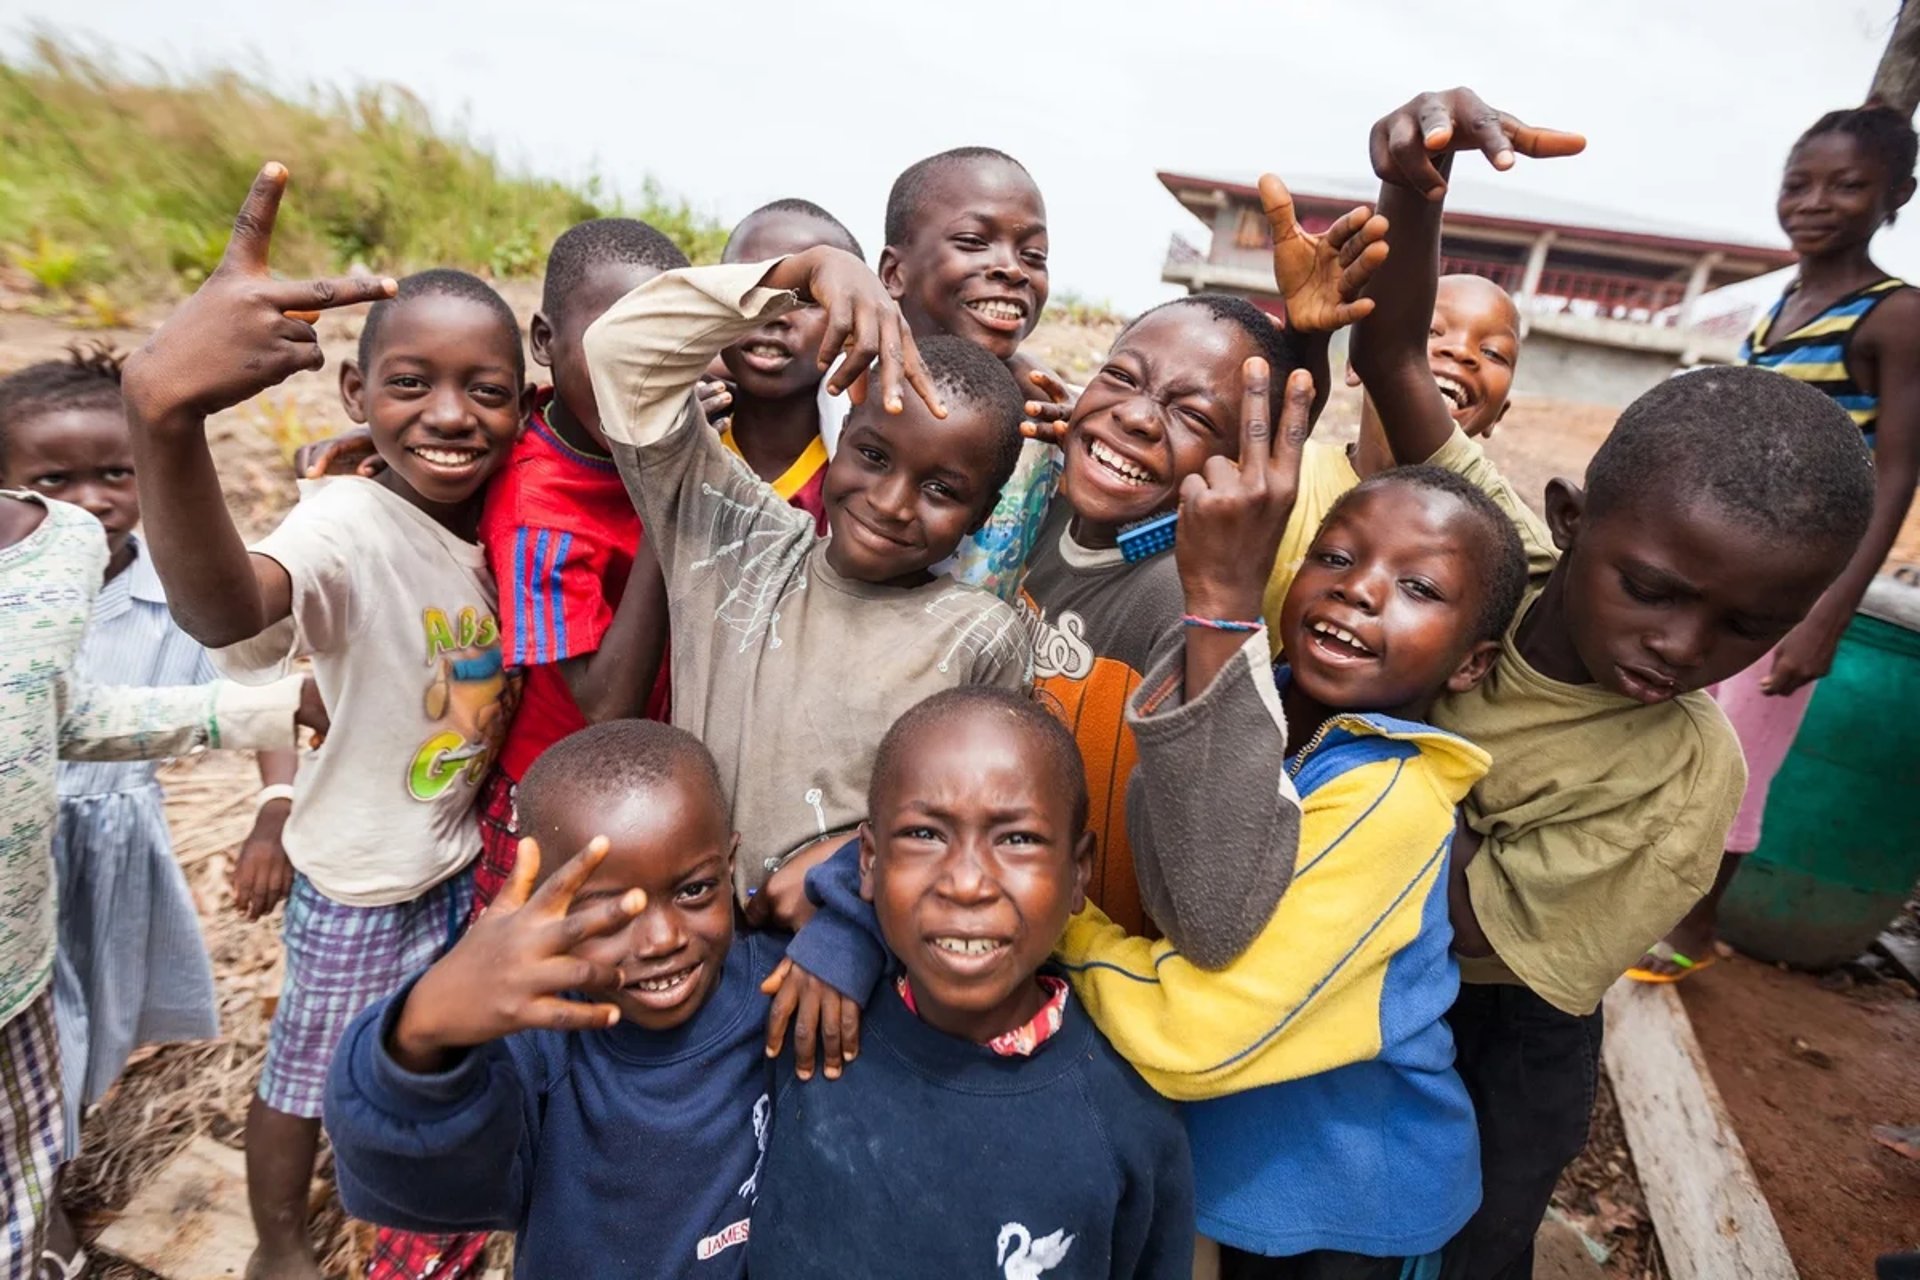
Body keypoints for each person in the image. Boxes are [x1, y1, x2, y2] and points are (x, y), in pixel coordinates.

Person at [1343, 89, 1873, 1278]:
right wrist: (1415, 198)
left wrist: (1371, 719)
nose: (1686, 648)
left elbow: (1463, 923)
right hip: (1353, 954)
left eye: (1752, 624)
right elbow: (1388, 352)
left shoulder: (1685, 779)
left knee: (1463, 1238)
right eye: (1654, 589)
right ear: (1568, 521)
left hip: (1489, 1025)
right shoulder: (1489, 551)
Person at [121, 165, 521, 1280]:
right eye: (412, 383)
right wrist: (166, 415)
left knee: (414, 1061)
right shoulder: (344, 516)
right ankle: (282, 1245)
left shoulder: (497, 513)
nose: (450, 413)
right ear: (354, 392)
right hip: (353, 876)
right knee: (303, 1077)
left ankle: (389, 1198)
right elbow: (233, 608)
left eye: (486, 389)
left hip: (449, 859)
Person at [1056, 406, 1528, 1273]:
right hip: (1225, 1159)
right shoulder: (1253, 701)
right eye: (1336, 556)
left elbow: (1192, 1036)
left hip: (1345, 1200)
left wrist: (1060, 926)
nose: (1360, 588)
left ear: (1471, 664)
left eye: (1419, 588)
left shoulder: (1395, 798)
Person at [325, 719, 877, 1279]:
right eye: (614, 913)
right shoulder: (539, 1041)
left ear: (729, 864)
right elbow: (411, 1184)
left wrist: (844, 932)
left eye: (694, 890)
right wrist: (420, 1033)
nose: (663, 939)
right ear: (545, 904)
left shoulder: (787, 987)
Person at [581, 248, 1033, 928]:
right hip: (684, 945)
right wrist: (800, 274)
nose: (891, 501)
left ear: (984, 510)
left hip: (849, 965)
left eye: (941, 489)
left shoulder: (977, 634)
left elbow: (980, 815)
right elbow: (618, 351)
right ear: (843, 434)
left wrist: (850, 869)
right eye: (874, 456)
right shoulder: (738, 540)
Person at [0, 347, 303, 1270]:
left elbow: (249, 679)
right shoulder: (22, 586)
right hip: (26, 855)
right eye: (57, 480)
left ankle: (50, 1170)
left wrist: (277, 804)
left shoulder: (179, 586)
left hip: (113, 845)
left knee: (81, 1033)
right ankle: (39, 1211)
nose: (92, 498)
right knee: (49, 1022)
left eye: (116, 472)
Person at [1017, 188, 1384, 937]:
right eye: (1120, 377)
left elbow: (1214, 915)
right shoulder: (1024, 505)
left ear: (1233, 464)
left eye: (1190, 416)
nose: (1135, 415)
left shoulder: (1181, 598)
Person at [746, 687, 1195, 1278]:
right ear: (869, 863)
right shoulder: (798, 1011)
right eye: (926, 835)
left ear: (1078, 870)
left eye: (1018, 839)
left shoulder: (1128, 1121)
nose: (966, 883)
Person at [1633, 103, 1920, 981]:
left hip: (1793, 589)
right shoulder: (1780, 308)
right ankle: (1654, 894)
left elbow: (1898, 472)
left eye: (1848, 185)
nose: (1815, 201)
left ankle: (1699, 927)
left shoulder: (1894, 317)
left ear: (1897, 195)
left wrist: (1826, 615)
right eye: (1799, 183)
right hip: (1735, 571)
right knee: (1688, 732)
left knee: (1741, 761)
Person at [465, 216, 688, 917]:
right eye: (612, 342)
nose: (639, 370)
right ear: (544, 341)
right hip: (552, 806)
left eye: (665, 345)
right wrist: (665, 499)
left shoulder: (614, 435)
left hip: (631, 785)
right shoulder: (540, 508)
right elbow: (604, 705)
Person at [1261, 274, 1521, 657]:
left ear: (1500, 415)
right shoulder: (1291, 472)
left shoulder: (1491, 545)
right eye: (1431, 332)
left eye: (1494, 353)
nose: (1462, 352)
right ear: (1356, 364)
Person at [878, 146, 1069, 599]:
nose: (1011, 268)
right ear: (893, 271)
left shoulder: (1055, 429)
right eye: (971, 241)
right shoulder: (834, 385)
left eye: (1034, 255)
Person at [711, 198, 865, 528]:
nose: (775, 315)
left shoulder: (858, 482)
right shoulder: (683, 436)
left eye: (808, 298)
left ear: (852, 324)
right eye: (751, 288)